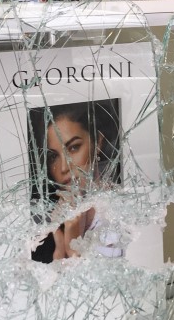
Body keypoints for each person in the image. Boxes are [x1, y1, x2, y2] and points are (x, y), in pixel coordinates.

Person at [31, 102, 121, 263]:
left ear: (98, 142)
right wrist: (60, 244)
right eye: (53, 157)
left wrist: (72, 245)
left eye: (73, 148)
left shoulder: (121, 211)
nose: (64, 167)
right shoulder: (47, 228)